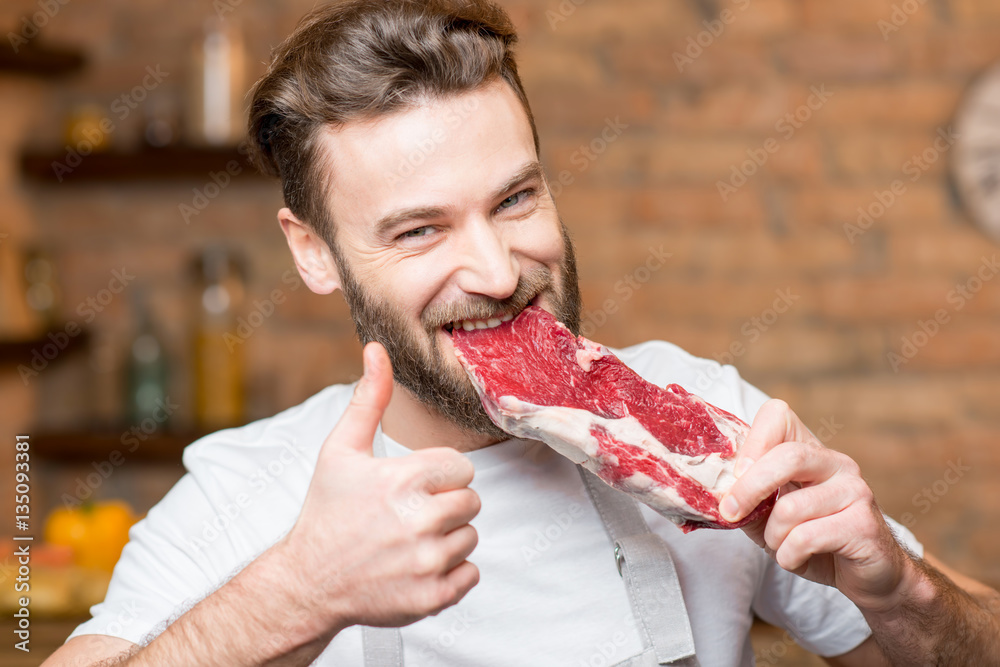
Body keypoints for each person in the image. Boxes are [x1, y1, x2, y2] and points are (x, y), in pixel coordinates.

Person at [45, 1, 1000, 665]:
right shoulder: (248, 491)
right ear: (315, 252)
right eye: (419, 229)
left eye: (516, 198)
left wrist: (898, 586)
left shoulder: (712, 423)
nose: (499, 273)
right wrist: (299, 592)